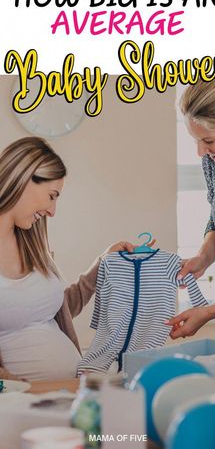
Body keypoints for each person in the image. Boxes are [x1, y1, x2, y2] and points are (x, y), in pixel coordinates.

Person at [0, 136, 135, 381]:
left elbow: (55, 311)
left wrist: (100, 266)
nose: (52, 211)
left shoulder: (32, 243)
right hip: (21, 404)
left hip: (68, 393)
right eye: (52, 195)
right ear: (24, 179)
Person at [166, 76, 215, 341]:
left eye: (208, 140)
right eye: (195, 140)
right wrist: (203, 258)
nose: (200, 151)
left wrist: (207, 313)